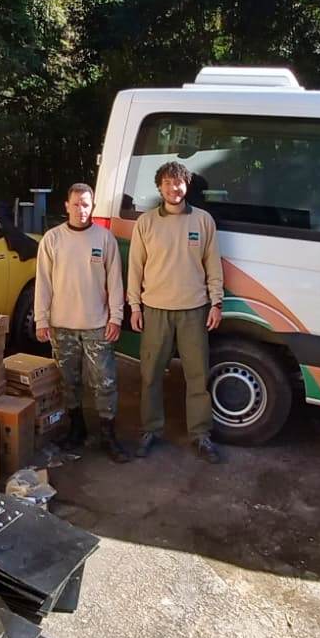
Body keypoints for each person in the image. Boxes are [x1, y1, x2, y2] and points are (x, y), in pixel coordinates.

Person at [127, 160, 225, 464]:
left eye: (179, 182)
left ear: (187, 185)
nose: (174, 188)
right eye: (168, 183)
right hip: (155, 310)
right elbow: (135, 268)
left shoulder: (204, 221)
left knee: (197, 377)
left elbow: (213, 265)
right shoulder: (146, 222)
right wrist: (134, 306)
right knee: (151, 375)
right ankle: (150, 430)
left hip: (194, 311)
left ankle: (200, 434)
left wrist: (216, 303)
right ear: (160, 187)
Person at [34, 183, 129, 463]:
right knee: (68, 381)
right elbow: (43, 283)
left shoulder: (105, 239)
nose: (81, 210)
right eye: (75, 204)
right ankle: (77, 429)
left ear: (93, 207)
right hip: (61, 325)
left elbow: (115, 281)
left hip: (97, 324)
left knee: (104, 381)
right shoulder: (52, 240)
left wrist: (116, 316)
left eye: (86, 204)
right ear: (66, 206)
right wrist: (42, 319)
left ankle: (108, 434)